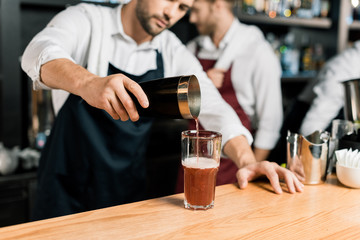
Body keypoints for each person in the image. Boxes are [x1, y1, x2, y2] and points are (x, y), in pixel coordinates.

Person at [21, 0, 303, 220]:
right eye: (168, 0)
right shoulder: (88, 19)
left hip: (126, 187)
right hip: (65, 183)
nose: (171, 13)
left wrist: (246, 160)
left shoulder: (170, 49)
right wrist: (88, 83)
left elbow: (214, 105)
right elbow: (37, 51)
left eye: (183, 7)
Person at [175, 0, 283, 190]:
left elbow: (270, 123)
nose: (191, 19)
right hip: (191, 158)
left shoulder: (257, 51)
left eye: (196, 11)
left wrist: (250, 168)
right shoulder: (193, 49)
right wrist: (200, 85)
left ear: (217, 5)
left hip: (234, 162)